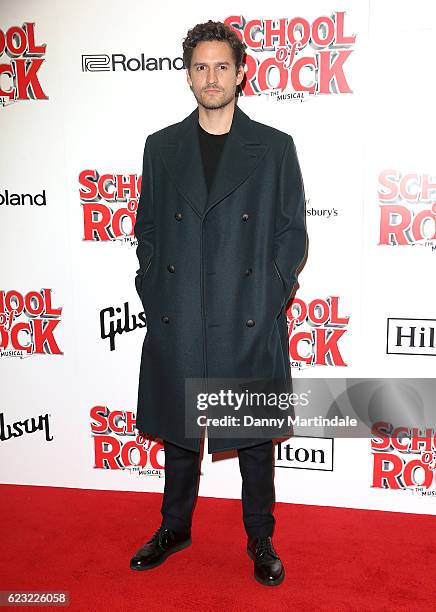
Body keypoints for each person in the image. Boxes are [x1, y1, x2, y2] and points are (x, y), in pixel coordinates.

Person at [130, 20, 307, 587]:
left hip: (245, 309)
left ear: (241, 72)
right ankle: (174, 527)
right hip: (179, 307)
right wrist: (153, 283)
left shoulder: (275, 148)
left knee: (252, 437)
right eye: (201, 67)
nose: (211, 77)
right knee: (183, 434)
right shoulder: (161, 147)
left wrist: (270, 289)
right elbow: (149, 227)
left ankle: (260, 537)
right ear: (188, 75)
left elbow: (291, 231)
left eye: (222, 66)